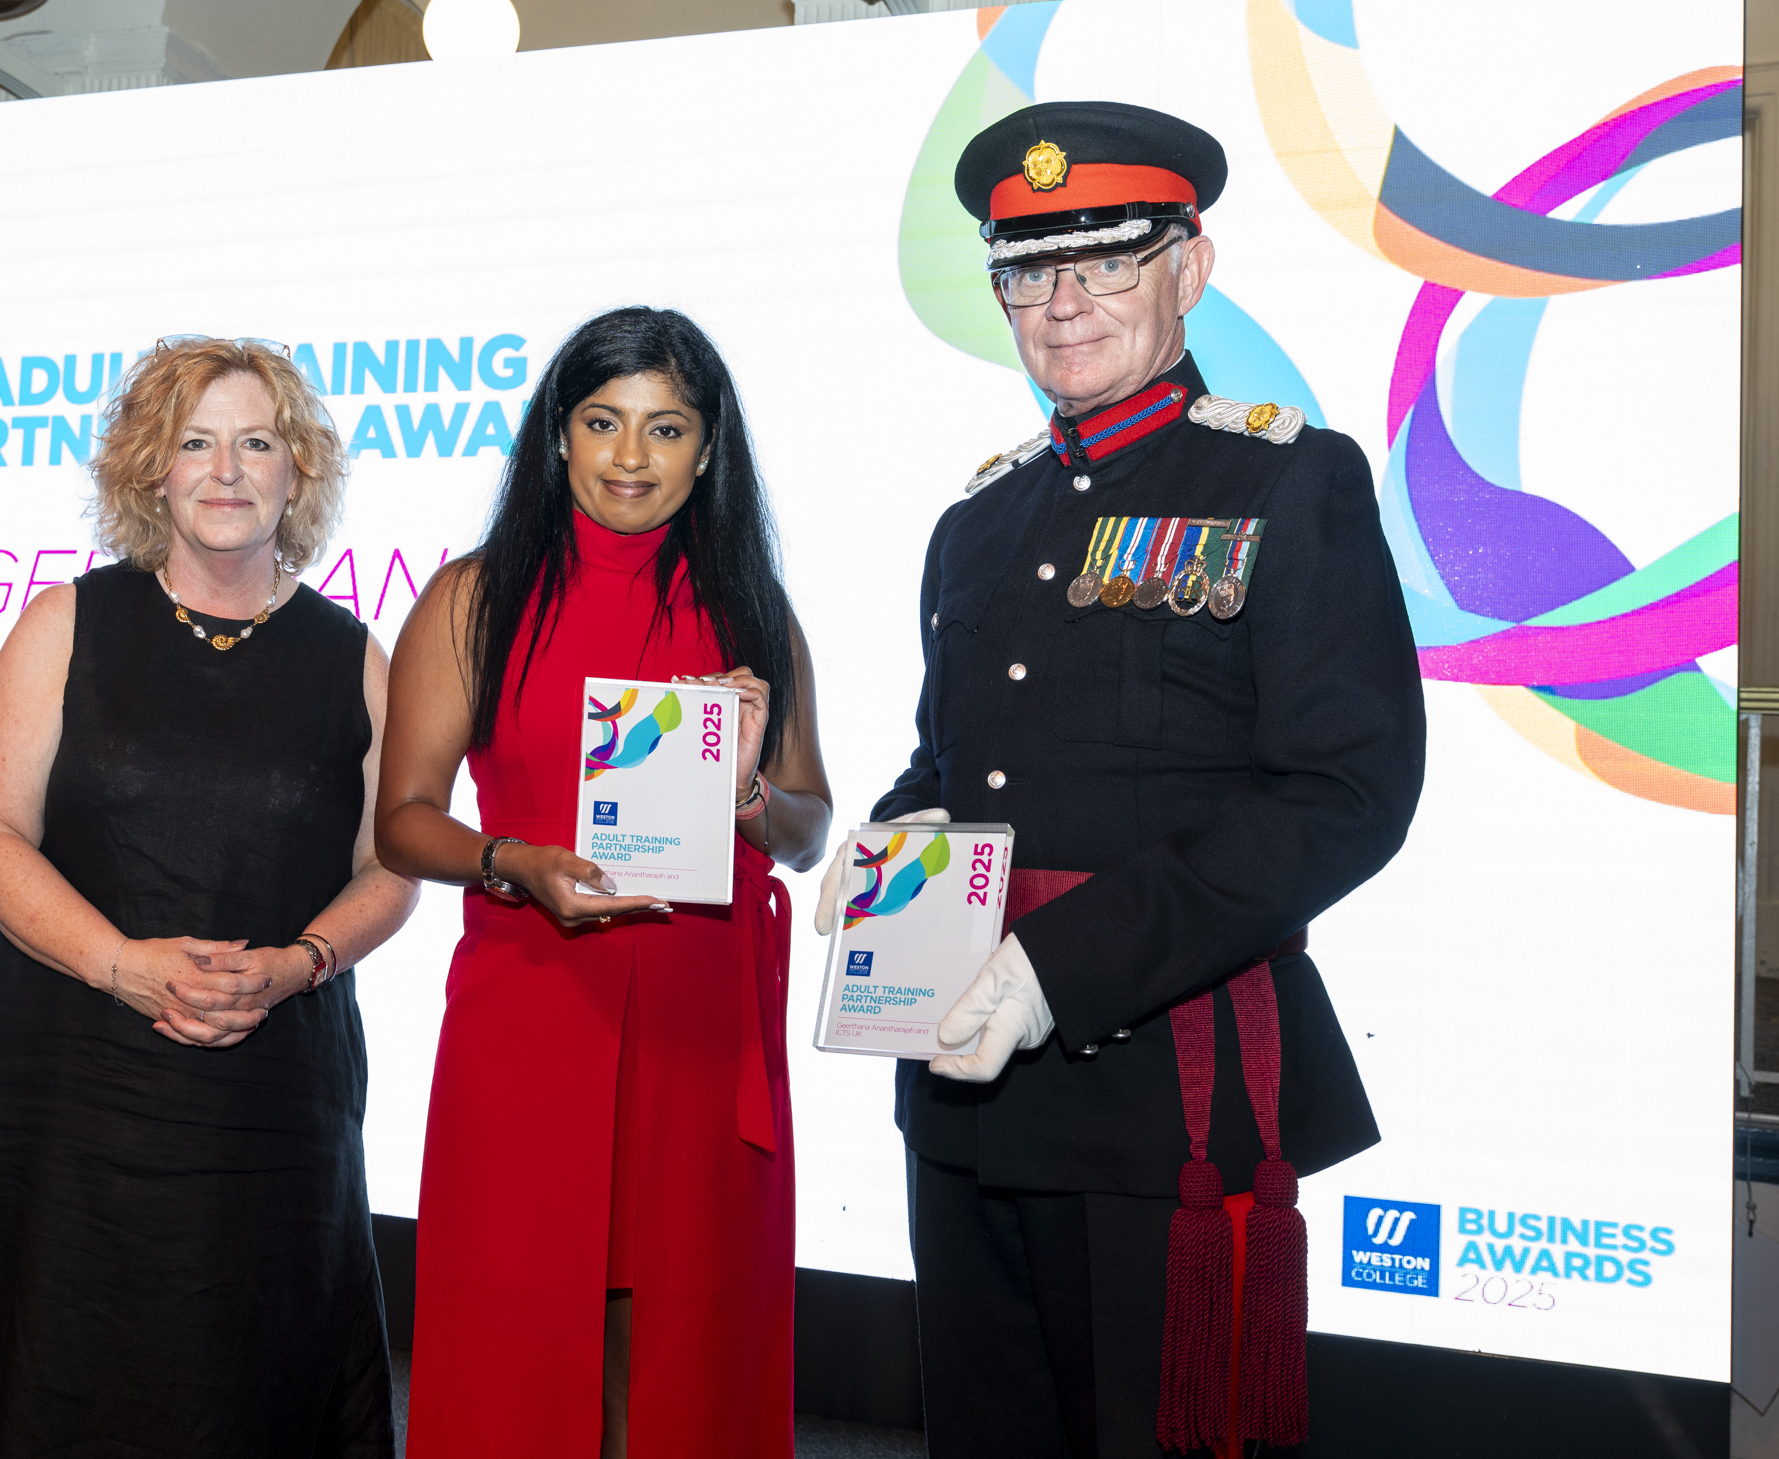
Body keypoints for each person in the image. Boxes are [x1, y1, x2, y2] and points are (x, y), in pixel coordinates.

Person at [816, 104, 1425, 1457]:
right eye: (1027, 270)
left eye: (1102, 259)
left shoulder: (1287, 481)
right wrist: (899, 849)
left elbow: (1345, 790)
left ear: (1188, 268)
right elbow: (955, 758)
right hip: (964, 1095)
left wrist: (1051, 967)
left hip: (1161, 1095)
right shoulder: (976, 522)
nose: (1062, 301)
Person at [0, 336, 419, 1458]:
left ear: (296, 473)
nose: (226, 469)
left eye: (255, 442)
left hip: (271, 1104)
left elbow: (393, 865)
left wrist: (299, 961)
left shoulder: (356, 655)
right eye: (195, 442)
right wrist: (123, 962)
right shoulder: (65, 622)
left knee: (251, 1380)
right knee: (42, 1374)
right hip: (66, 1090)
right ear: (151, 470)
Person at [377, 307, 833, 1459]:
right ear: (558, 436)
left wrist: (744, 794)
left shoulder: (754, 611)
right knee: (520, 1327)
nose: (631, 458)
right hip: (533, 1007)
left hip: (699, 1020)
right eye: (602, 422)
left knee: (681, 1339)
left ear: (709, 446)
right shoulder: (474, 597)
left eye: (666, 427)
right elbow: (403, 822)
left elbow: (809, 824)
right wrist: (509, 862)